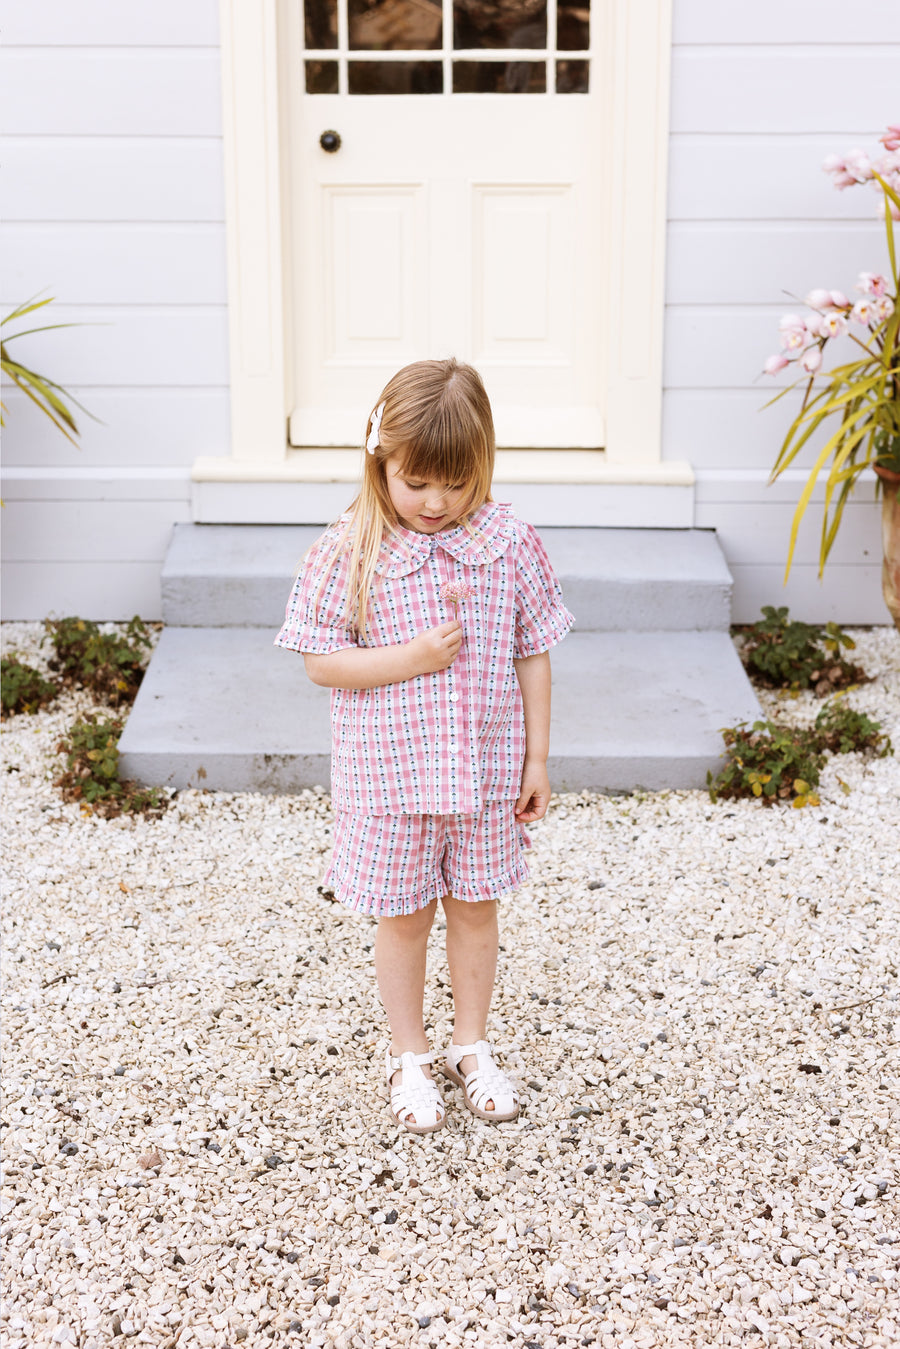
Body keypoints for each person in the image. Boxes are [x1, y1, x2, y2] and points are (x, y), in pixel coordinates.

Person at [275, 358, 573, 1134]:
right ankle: (409, 1052)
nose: (437, 502)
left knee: (476, 907)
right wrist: (409, 657)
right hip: (390, 780)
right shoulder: (352, 547)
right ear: (382, 462)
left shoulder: (508, 542)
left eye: (456, 483)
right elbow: (319, 659)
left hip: (484, 773)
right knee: (404, 915)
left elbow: (533, 648)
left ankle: (471, 1042)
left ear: (484, 466)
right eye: (417, 483)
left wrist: (537, 757)